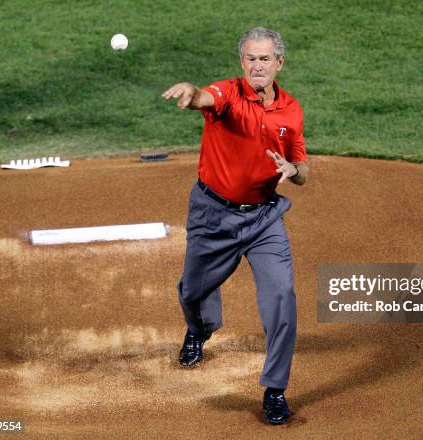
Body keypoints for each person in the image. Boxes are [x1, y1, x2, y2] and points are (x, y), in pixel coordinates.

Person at [162, 26, 308, 425]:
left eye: (265, 58)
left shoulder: (291, 110)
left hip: (264, 219)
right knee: (192, 292)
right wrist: (192, 94)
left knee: (281, 297)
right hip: (213, 216)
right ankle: (200, 328)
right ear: (241, 62)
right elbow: (205, 98)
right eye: (250, 58)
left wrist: (294, 169)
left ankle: (275, 389)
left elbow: (302, 168)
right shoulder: (227, 93)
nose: (257, 65)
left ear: (279, 62)